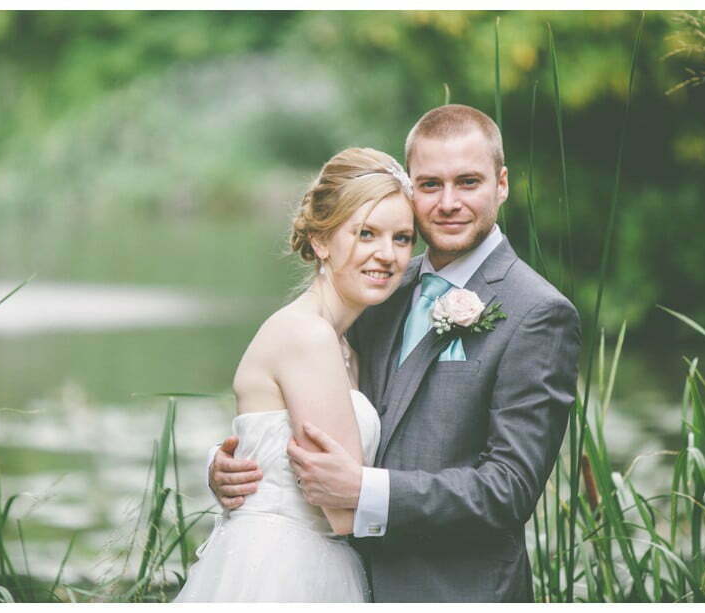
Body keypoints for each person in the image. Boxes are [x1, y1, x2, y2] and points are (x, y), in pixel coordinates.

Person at [210, 104, 582, 602]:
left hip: (453, 593)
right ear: (411, 187)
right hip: (338, 580)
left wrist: (366, 492)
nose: (448, 202)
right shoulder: (381, 287)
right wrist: (236, 462)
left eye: (468, 182)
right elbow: (299, 397)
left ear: (502, 184)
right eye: (430, 185)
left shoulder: (537, 312)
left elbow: (508, 490)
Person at [174, 147, 416, 602]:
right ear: (321, 241)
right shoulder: (308, 337)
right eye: (366, 234)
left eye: (402, 238)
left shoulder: (346, 341)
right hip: (282, 570)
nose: (387, 254)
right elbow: (342, 511)